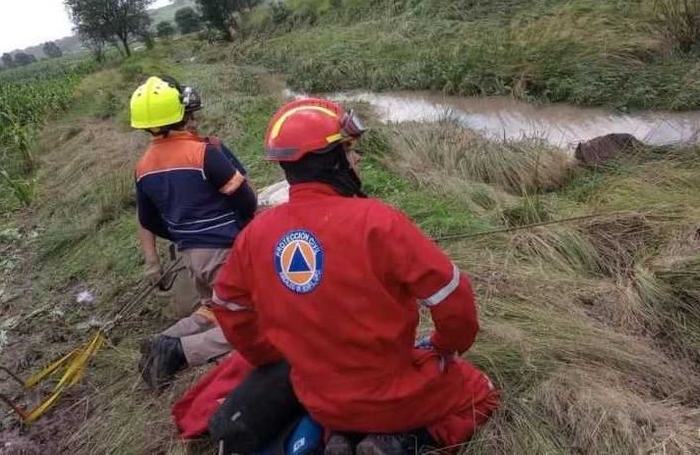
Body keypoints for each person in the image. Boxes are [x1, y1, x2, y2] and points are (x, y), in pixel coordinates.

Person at [211, 98, 499, 455]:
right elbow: (452, 298)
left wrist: (272, 354)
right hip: (393, 395)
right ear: (332, 161)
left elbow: (227, 306)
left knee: (342, 406)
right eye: (348, 151)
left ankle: (339, 436)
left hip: (317, 397)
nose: (356, 159)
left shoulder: (255, 234)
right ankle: (400, 442)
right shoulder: (378, 221)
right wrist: (444, 346)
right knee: (482, 390)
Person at [130, 75, 257, 388]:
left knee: (212, 308)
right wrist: (240, 229)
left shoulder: (143, 166)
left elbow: (148, 220)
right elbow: (245, 198)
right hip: (224, 251)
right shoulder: (204, 153)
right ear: (181, 114)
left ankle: (164, 339)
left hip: (190, 254)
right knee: (252, 322)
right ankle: (181, 351)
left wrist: (182, 236)